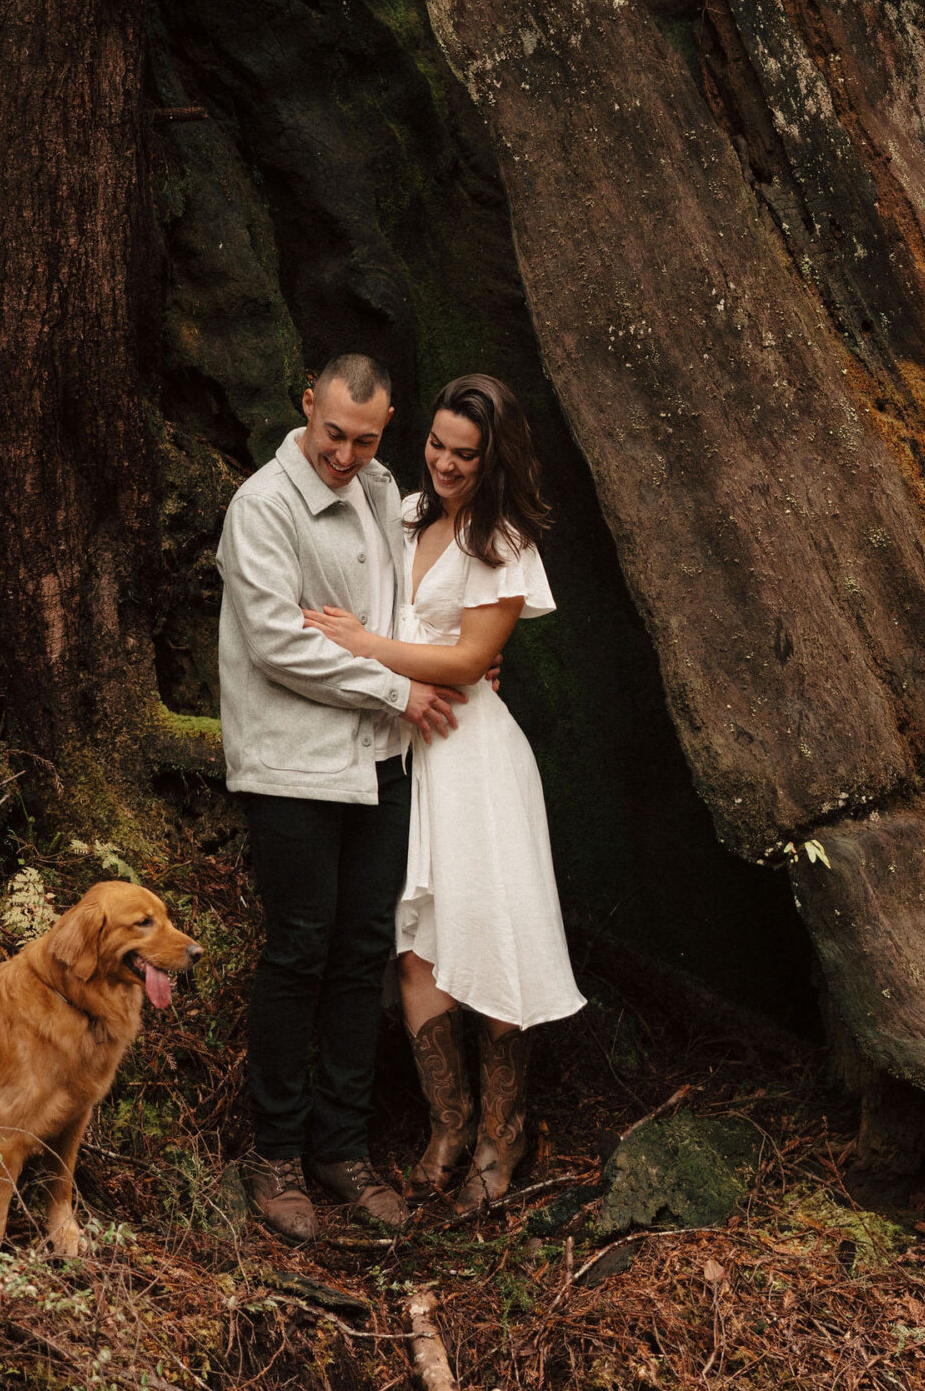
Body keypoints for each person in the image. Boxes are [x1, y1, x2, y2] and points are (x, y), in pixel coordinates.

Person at [303, 372, 585, 1211]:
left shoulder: (502, 541)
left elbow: (466, 664)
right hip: (404, 748)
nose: (446, 463)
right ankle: (449, 1126)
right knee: (416, 941)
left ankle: (504, 1136)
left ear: (493, 456)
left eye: (465, 453)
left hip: (475, 757)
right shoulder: (405, 512)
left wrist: (367, 644)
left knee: (489, 931)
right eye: (435, 445)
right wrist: (372, 646)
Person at [216, 353, 465, 1242]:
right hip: (293, 766)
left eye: (363, 440)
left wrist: (449, 658)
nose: (345, 455)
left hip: (378, 766)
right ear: (306, 408)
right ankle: (274, 1153)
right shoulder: (262, 507)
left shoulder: (385, 489)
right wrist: (398, 687)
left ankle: (342, 1151)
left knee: (363, 956)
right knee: (299, 952)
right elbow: (279, 643)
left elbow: (404, 611)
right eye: (333, 434)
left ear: (385, 426)